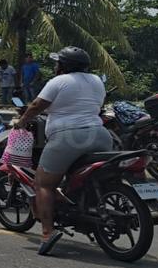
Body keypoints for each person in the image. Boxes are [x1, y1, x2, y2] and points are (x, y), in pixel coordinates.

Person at [11, 46, 113, 255]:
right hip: (101, 135)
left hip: (69, 137)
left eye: (58, 63)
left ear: (63, 66)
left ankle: (48, 233)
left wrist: (22, 122)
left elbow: (37, 105)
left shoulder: (58, 81)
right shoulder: (96, 81)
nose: (55, 66)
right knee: (88, 177)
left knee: (43, 184)